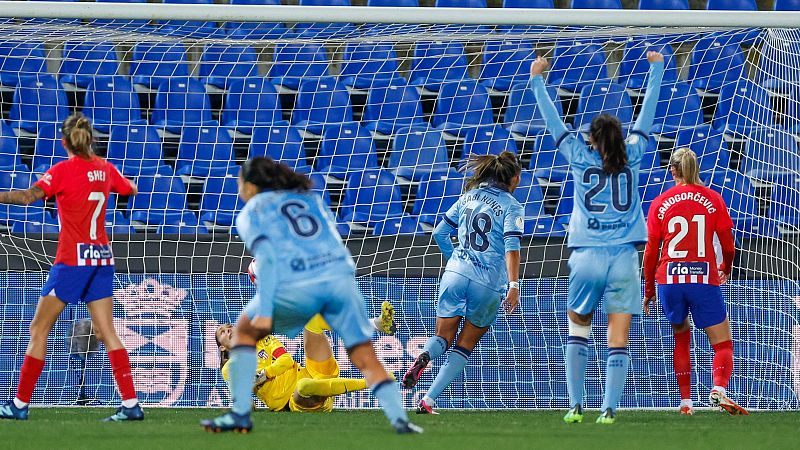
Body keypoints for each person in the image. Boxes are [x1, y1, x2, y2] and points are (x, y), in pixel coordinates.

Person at [200, 157, 421, 434]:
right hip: (339, 272)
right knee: (356, 348)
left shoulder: (251, 214)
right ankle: (400, 417)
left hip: (300, 279)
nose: (238, 188)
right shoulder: (308, 200)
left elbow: (267, 259)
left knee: (246, 329)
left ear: (251, 186)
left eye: (240, 183)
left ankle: (240, 415)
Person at [529, 52, 665, 424]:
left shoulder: (578, 154)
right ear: (620, 137)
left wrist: (537, 79)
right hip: (623, 257)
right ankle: (609, 409)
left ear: (590, 138)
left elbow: (553, 122)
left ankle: (575, 405)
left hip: (586, 255)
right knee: (618, 336)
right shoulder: (634, 153)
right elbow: (647, 114)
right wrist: (656, 69)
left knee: (579, 329)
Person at [0, 113, 141, 422]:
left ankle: (19, 404)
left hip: (72, 260)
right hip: (102, 257)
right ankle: (131, 404)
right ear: (90, 139)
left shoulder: (62, 171)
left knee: (39, 328)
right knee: (107, 332)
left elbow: (27, 197)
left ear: (64, 142)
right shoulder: (105, 169)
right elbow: (130, 189)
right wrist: (119, 182)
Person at [401, 152, 524, 415]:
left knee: (442, 337)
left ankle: (425, 356)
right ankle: (428, 401)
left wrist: (455, 260)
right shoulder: (512, 206)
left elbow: (439, 233)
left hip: (455, 274)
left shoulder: (469, 196)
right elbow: (512, 248)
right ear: (515, 178)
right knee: (464, 344)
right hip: (487, 283)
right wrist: (514, 286)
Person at [643, 148, 746, 416]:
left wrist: (649, 289)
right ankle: (718, 388)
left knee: (681, 337)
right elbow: (728, 246)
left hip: (670, 280)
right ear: (695, 167)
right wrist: (726, 267)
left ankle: (686, 403)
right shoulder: (713, 198)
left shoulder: (660, 202)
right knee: (722, 344)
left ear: (672, 171)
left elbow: (651, 252)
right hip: (702, 279)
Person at [215, 316, 376, 413]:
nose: (228, 330)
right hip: (295, 401)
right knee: (304, 387)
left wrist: (264, 375)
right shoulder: (230, 369)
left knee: (312, 320)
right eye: (222, 332)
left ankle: (374, 323)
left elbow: (286, 360)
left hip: (312, 372)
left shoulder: (264, 340)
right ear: (222, 347)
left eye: (229, 327)